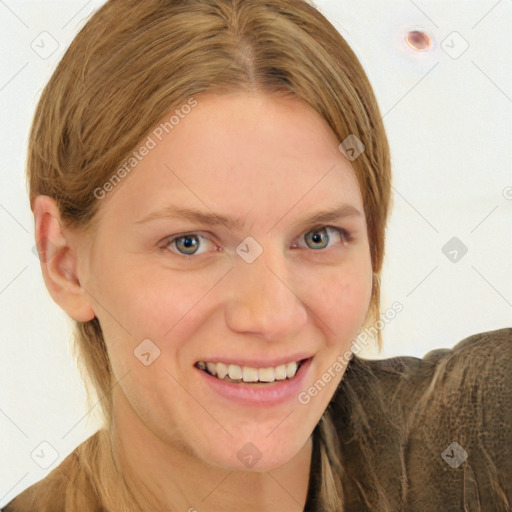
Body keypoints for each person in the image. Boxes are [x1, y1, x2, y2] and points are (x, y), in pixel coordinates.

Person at [3, 0, 511, 511]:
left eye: (318, 237)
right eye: (191, 243)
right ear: (64, 262)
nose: (272, 315)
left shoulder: (481, 433)